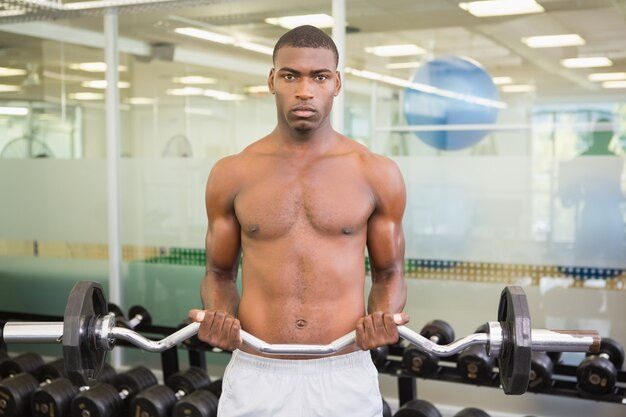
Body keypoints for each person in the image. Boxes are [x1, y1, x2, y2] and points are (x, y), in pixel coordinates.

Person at [189, 25, 408, 417]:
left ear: (336, 83)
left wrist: (383, 319)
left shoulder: (375, 173)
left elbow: (390, 272)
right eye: (291, 75)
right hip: (257, 370)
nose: (304, 90)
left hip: (343, 369)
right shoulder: (232, 173)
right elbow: (218, 273)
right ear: (272, 80)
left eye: (319, 77)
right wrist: (221, 316)